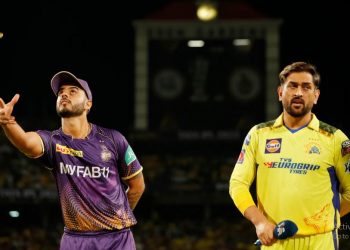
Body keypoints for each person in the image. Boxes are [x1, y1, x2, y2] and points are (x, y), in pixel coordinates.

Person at [0, 71, 145, 250]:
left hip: (117, 239)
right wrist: (8, 122)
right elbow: (26, 143)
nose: (64, 94)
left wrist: (118, 218)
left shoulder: (114, 139)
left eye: (73, 90)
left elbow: (137, 185)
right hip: (74, 240)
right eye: (61, 91)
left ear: (88, 104)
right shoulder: (53, 141)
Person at [229, 61, 350, 249]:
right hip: (275, 241)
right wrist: (260, 222)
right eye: (292, 86)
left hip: (320, 242)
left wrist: (318, 219)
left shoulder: (335, 138)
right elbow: (237, 184)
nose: (298, 93)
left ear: (316, 96)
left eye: (306, 87)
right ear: (280, 93)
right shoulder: (259, 134)